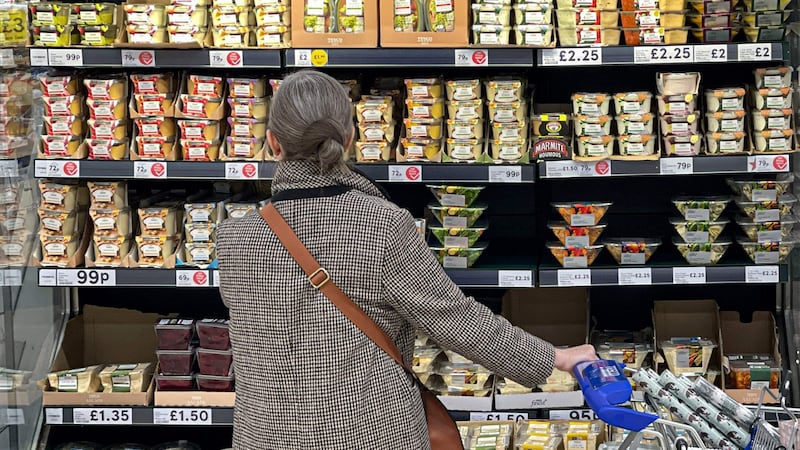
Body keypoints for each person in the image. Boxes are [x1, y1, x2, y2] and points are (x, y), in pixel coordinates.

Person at [217, 70, 597, 450]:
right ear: (350, 138)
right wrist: (555, 358)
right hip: (370, 433)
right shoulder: (381, 225)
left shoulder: (233, 239)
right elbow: (454, 319)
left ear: (271, 143)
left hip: (264, 436)